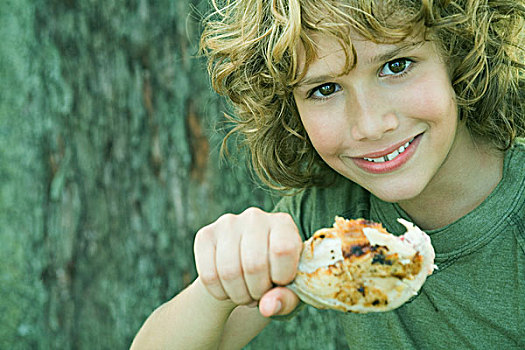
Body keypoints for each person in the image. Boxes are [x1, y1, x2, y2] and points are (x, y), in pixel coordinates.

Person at [131, 0, 525, 348]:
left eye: (396, 65)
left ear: (459, 53)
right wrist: (221, 283)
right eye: (325, 89)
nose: (369, 125)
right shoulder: (333, 220)